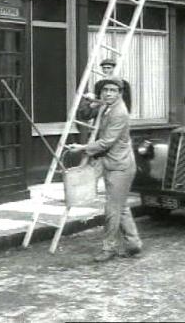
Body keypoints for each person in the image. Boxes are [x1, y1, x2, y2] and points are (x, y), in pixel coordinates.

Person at [69, 77, 142, 262]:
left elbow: (107, 141)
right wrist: (88, 100)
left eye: (113, 90)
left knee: (112, 208)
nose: (108, 93)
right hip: (110, 162)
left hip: (120, 166)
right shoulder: (105, 106)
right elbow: (85, 115)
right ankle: (134, 244)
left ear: (120, 93)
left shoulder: (119, 112)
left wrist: (82, 148)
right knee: (121, 206)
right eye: (105, 90)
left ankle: (108, 248)